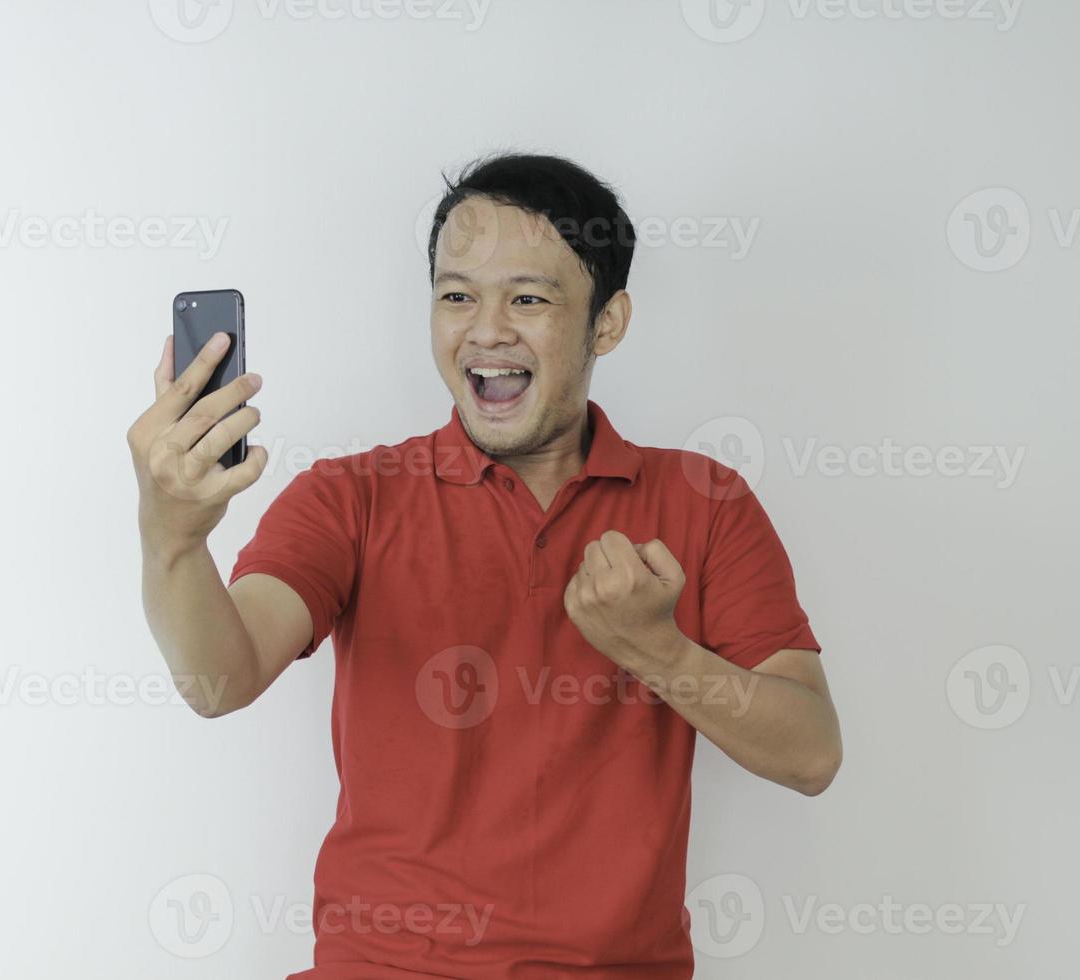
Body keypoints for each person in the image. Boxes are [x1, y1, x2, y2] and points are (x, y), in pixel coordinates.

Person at [126, 152, 842, 978]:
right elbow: (222, 678)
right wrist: (172, 538)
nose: (486, 328)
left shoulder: (705, 501)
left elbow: (811, 755)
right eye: (457, 294)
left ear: (606, 322)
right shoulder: (351, 496)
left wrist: (657, 650)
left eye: (529, 299)